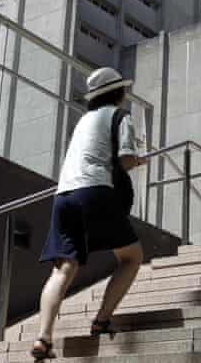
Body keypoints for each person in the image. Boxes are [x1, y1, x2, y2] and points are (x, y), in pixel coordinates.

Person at [31, 67, 147, 360]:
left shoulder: (84, 120)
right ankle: (102, 319)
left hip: (64, 195)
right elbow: (125, 160)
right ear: (119, 93)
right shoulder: (121, 117)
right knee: (131, 257)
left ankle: (44, 338)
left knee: (62, 269)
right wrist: (139, 159)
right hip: (95, 191)